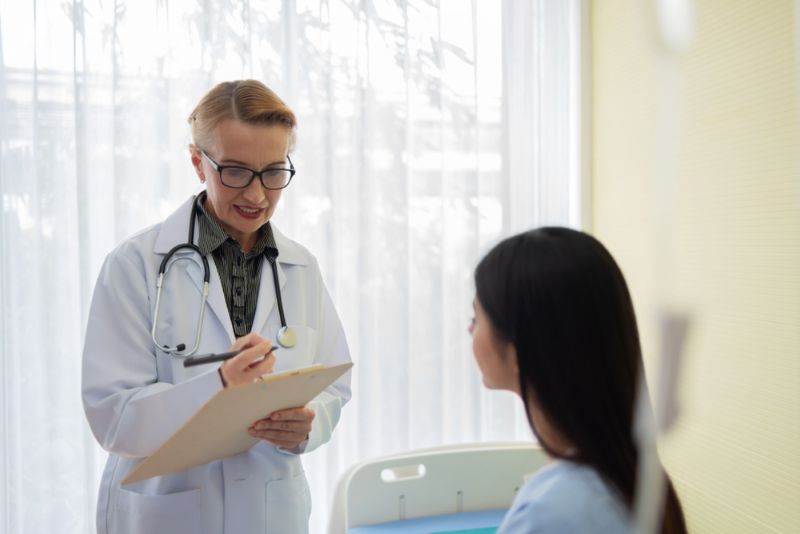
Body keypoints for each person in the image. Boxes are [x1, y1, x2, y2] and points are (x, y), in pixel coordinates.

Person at [82, 80, 352, 534]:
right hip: (169, 514)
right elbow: (113, 417)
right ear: (197, 163)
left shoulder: (301, 266)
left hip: (272, 511)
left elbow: (332, 386)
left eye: (272, 172)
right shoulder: (135, 265)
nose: (256, 194)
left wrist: (310, 424)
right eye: (235, 171)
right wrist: (218, 386)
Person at [469, 227, 687, 534]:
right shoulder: (633, 474)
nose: (470, 330)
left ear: (520, 351)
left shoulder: (551, 513)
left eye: (476, 317)